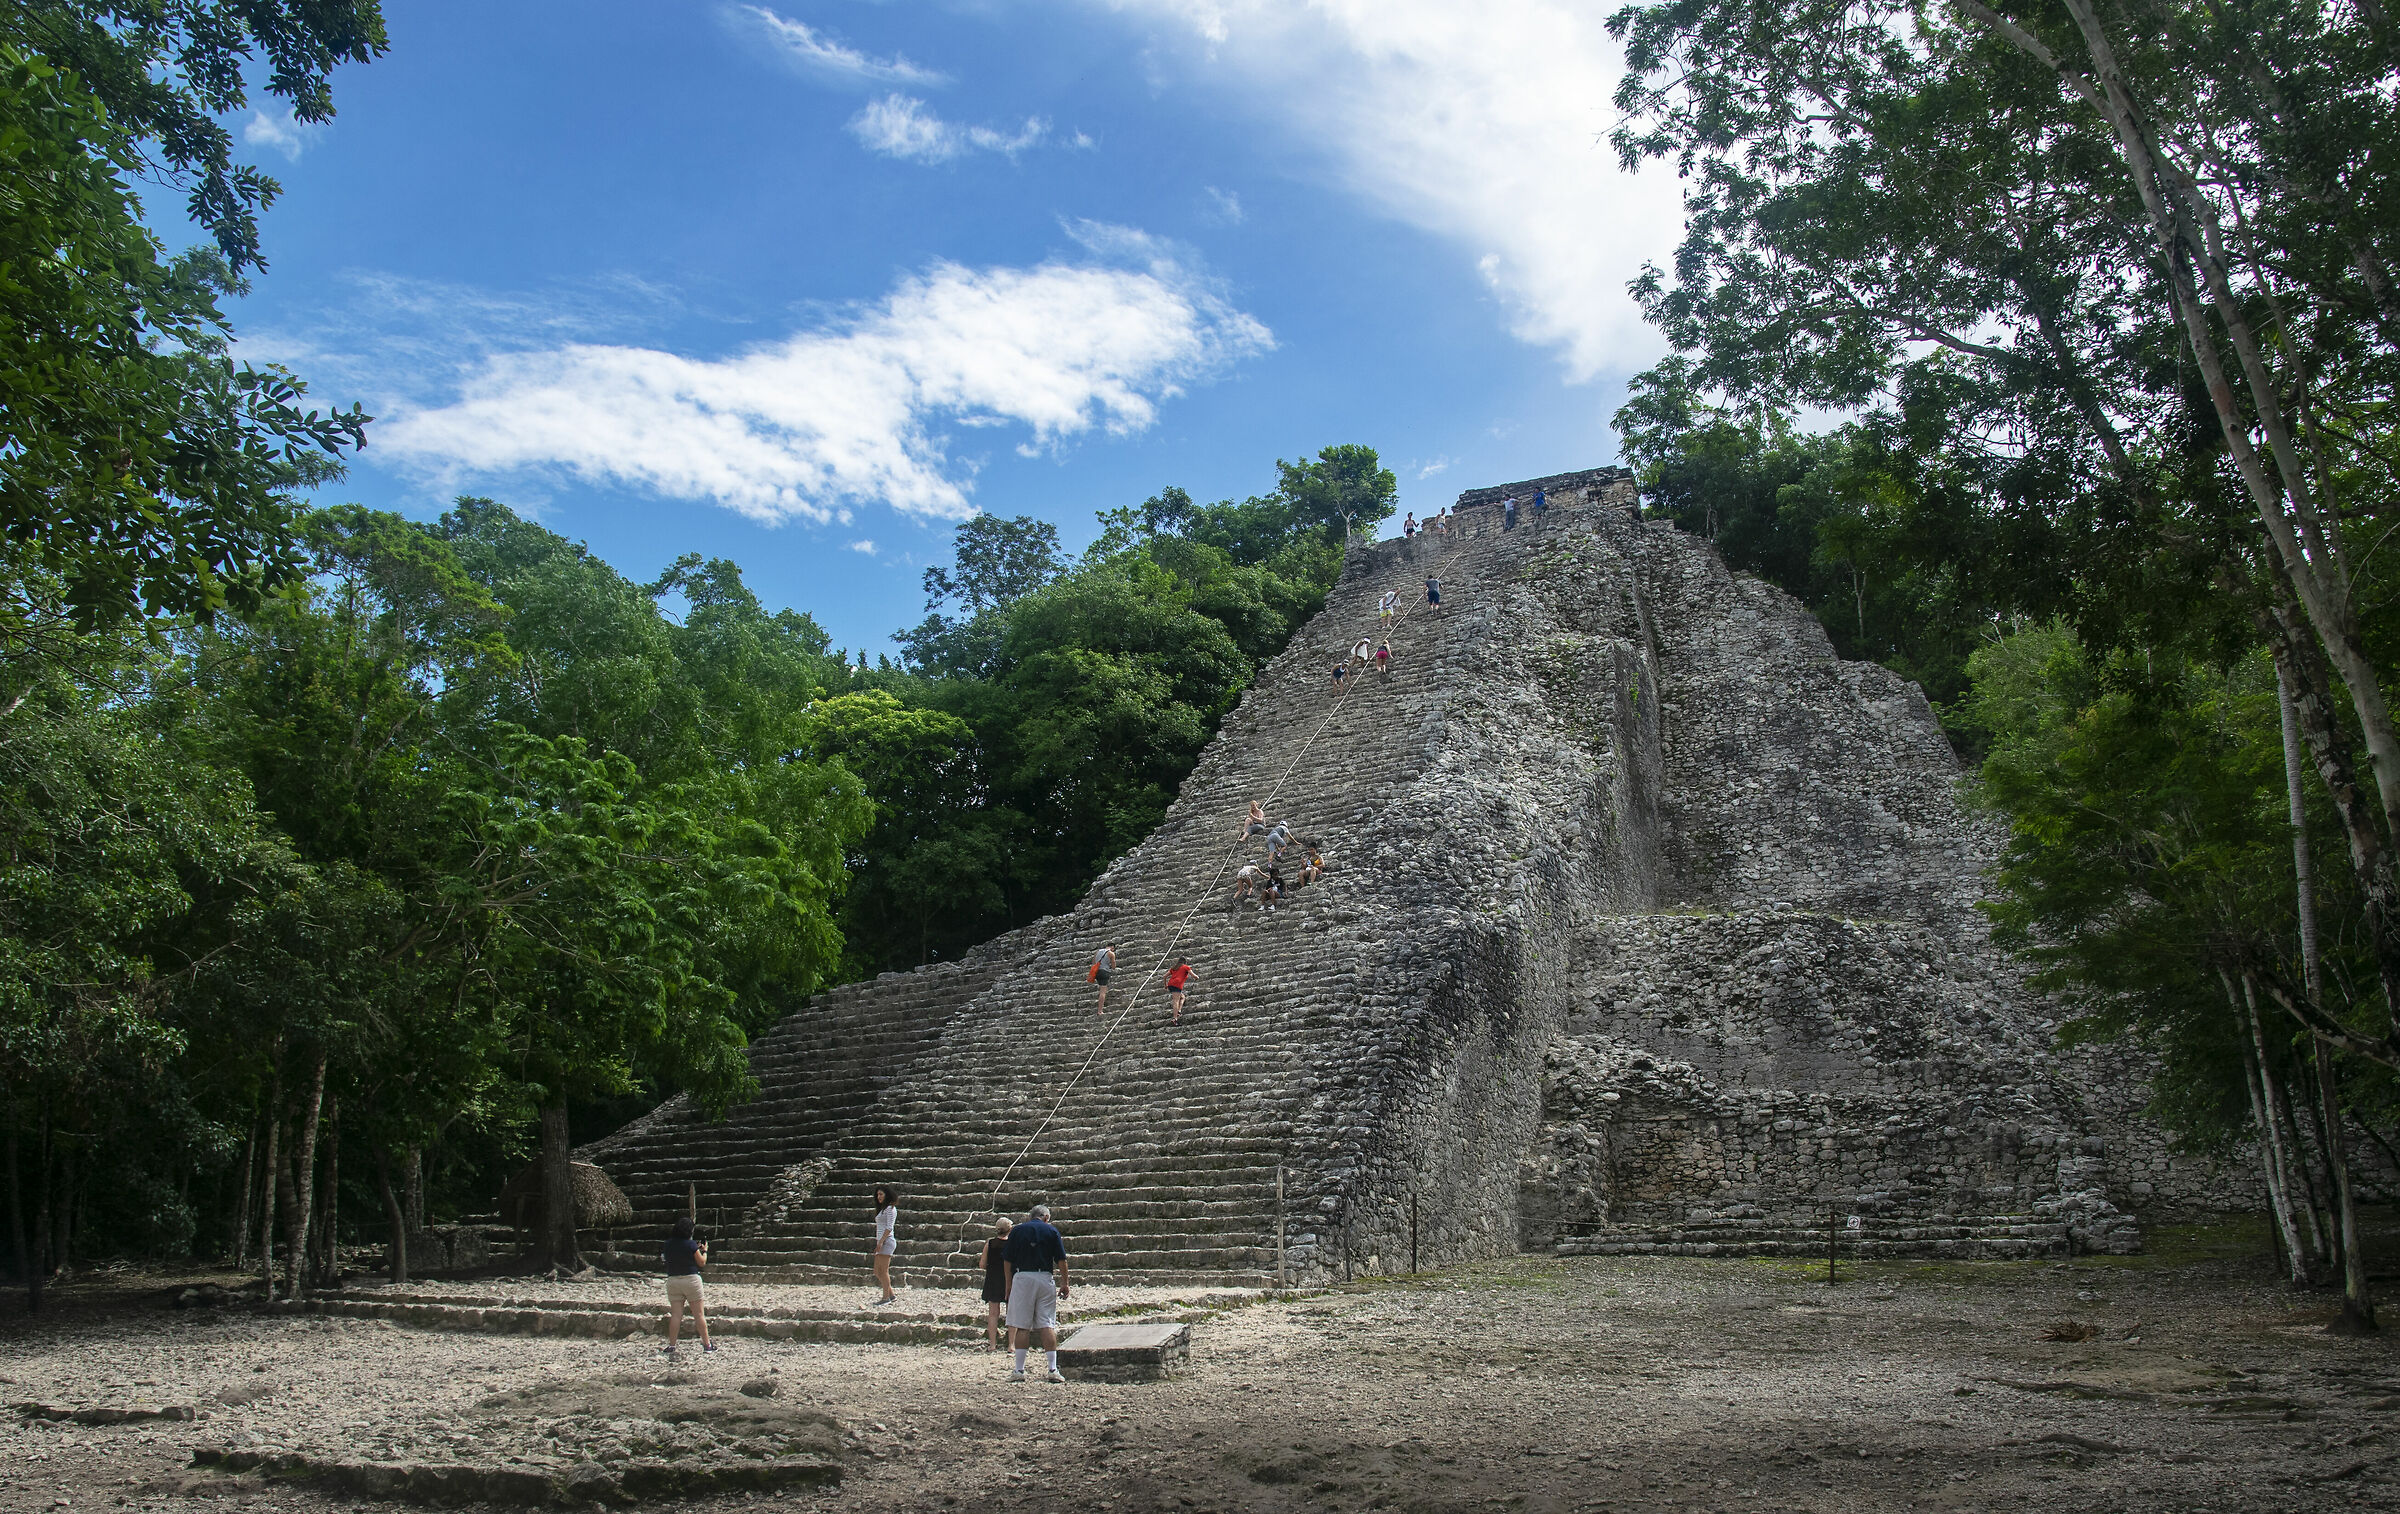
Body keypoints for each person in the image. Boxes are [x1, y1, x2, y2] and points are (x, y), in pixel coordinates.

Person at [1002, 1203, 1071, 1383]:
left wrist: (1008, 1284)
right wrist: (1065, 1283)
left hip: (1023, 1276)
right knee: (1047, 1323)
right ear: (1046, 1218)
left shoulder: (1017, 1231)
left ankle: (1019, 1369)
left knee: (1022, 1325)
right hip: (1044, 1277)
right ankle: (1052, 1369)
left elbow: (1007, 1260)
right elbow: (1061, 1260)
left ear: (1030, 1216)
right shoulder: (1052, 1231)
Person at [662, 1217, 713, 1357]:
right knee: (699, 1314)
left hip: (673, 1280)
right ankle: (707, 1345)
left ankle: (672, 1345)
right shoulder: (690, 1245)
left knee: (676, 1315)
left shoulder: (668, 1244)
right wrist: (705, 1251)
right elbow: (701, 1262)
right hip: (691, 1279)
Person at [977, 1218, 1013, 1348]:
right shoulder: (1012, 1244)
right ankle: (1011, 1344)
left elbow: (982, 1264)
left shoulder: (990, 1243)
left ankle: (992, 1344)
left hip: (993, 1279)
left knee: (993, 1313)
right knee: (1011, 1312)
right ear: (1010, 1229)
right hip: (1009, 1279)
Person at [869, 1185, 898, 1306]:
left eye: (881, 1194)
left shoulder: (890, 1209)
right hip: (881, 1241)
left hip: (887, 1241)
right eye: (877, 1195)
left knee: (883, 1270)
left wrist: (881, 1242)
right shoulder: (883, 1209)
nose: (879, 1197)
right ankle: (891, 1294)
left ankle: (885, 1297)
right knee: (877, 1271)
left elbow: (889, 1227)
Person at [1089, 946, 1116, 1017]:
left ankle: (1099, 1008)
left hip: (1096, 972)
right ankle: (1100, 1011)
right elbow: (1113, 966)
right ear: (1112, 948)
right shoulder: (1111, 953)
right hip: (1104, 971)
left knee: (1101, 988)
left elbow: (1094, 962)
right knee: (1103, 991)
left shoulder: (1097, 952)